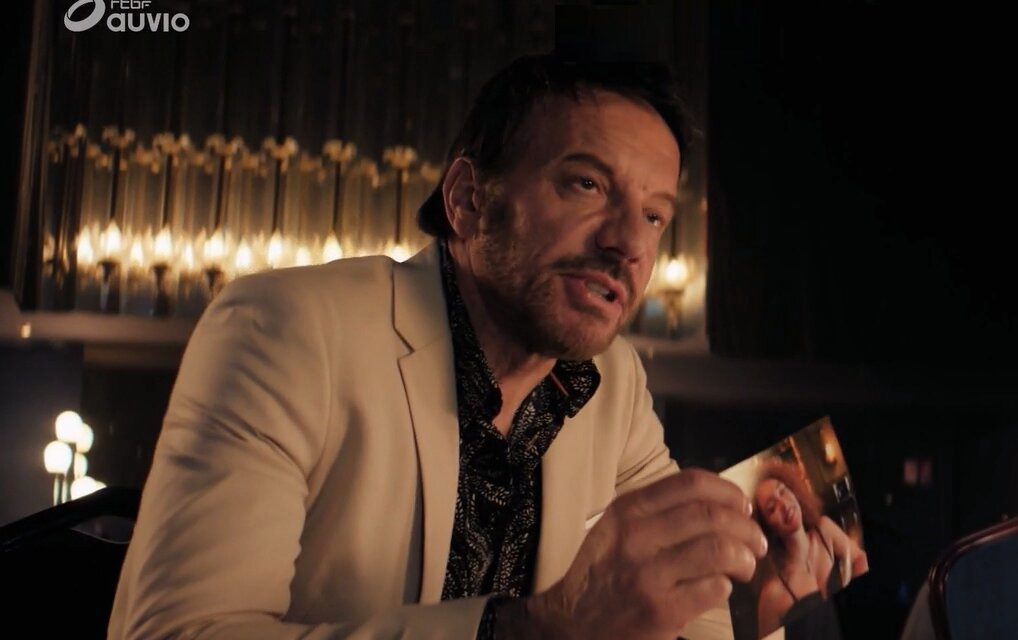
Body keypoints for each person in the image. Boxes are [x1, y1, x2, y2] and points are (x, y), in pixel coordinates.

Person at [108, 53, 766, 640]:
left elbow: (688, 622)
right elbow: (182, 632)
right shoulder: (285, 329)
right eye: (586, 184)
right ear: (468, 200)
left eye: (654, 215)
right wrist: (535, 631)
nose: (630, 242)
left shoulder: (613, 382)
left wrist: (758, 594)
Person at [753, 462, 868, 639]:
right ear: (768, 530)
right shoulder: (772, 594)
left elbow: (860, 557)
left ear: (794, 492)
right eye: (772, 507)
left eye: (782, 491)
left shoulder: (824, 530)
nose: (784, 504)